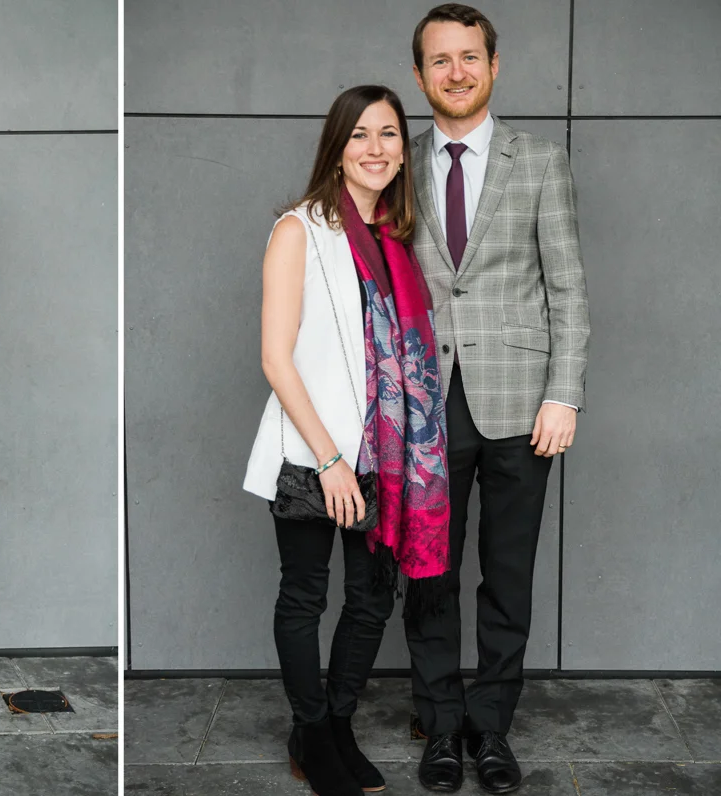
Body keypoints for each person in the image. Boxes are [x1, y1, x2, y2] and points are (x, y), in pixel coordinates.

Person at [244, 85, 451, 796]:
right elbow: (276, 358)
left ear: (402, 149)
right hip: (315, 452)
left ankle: (337, 723)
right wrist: (330, 459)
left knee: (371, 599)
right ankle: (309, 730)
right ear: (336, 148)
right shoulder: (299, 231)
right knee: (305, 595)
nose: (375, 148)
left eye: (388, 134)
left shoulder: (402, 239)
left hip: (388, 459)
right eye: (359, 134)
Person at [404, 5, 590, 794]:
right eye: (440, 60)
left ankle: (491, 728)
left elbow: (567, 287)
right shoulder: (395, 160)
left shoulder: (539, 161)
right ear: (421, 75)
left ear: (494, 65)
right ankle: (441, 726)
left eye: (469, 57)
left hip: (521, 400)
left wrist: (564, 394)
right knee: (430, 573)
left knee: (507, 575)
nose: (456, 72)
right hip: (423, 401)